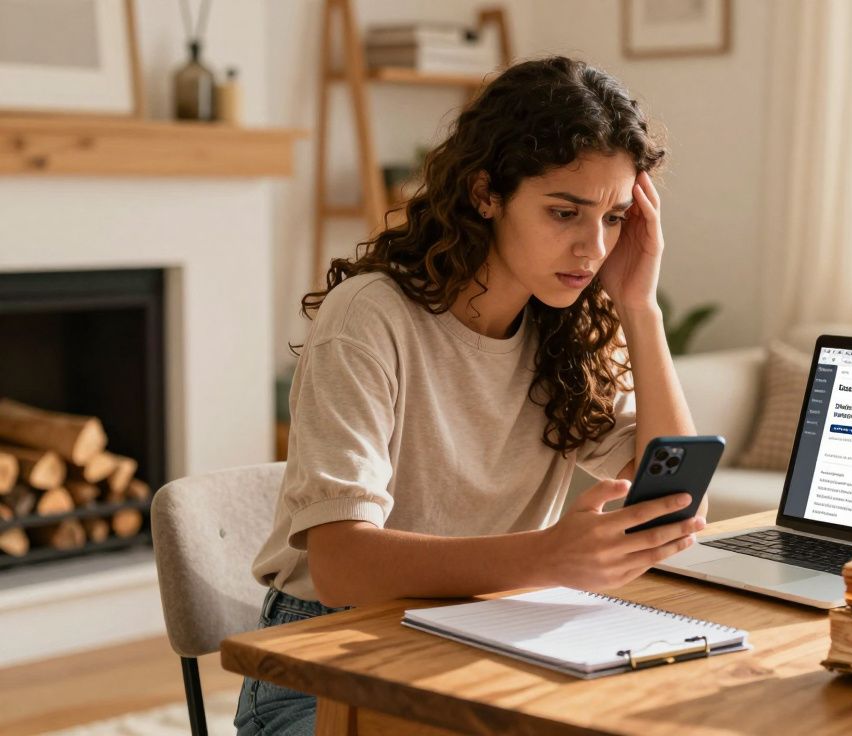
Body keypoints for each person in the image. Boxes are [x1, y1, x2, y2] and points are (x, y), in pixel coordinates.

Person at [234, 56, 705, 735]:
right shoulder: (370, 317)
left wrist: (640, 305)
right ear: (486, 193)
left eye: (613, 218)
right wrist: (546, 557)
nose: (591, 247)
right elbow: (338, 564)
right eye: (565, 212)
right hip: (331, 655)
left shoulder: (571, 326)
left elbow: (675, 501)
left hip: (492, 633)